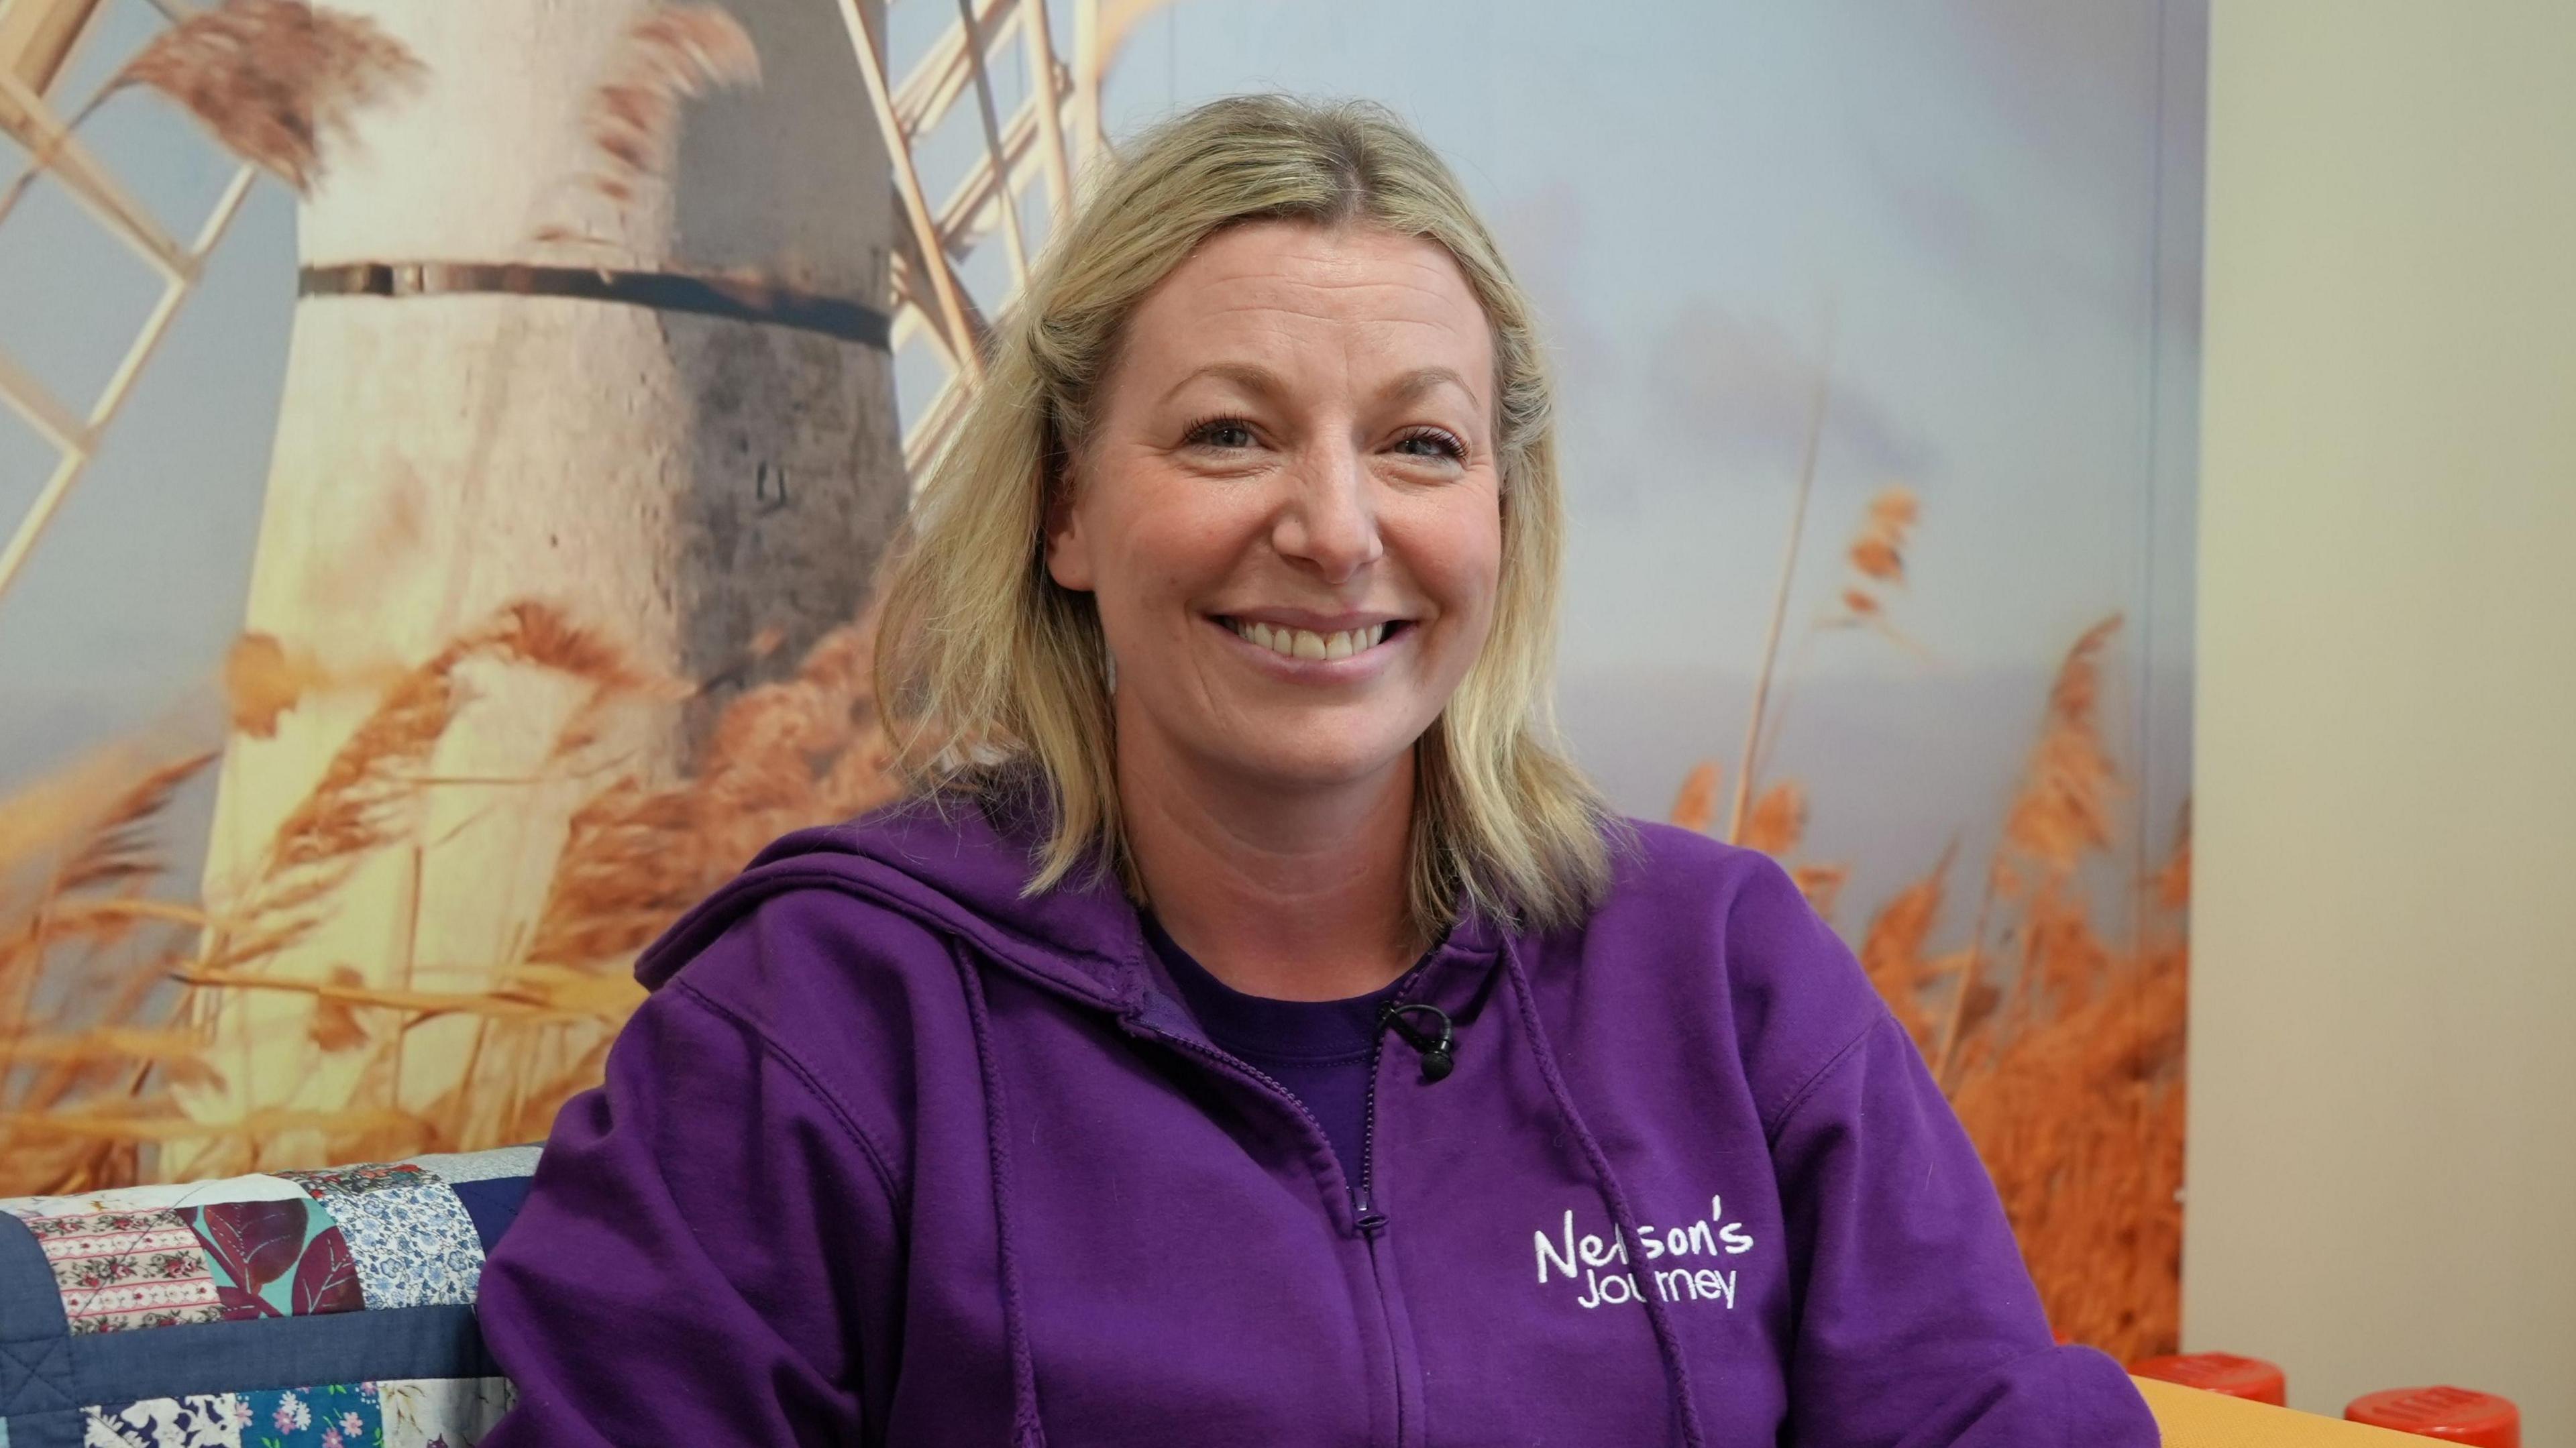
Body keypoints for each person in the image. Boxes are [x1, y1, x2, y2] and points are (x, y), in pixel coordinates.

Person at [476, 94, 2158, 1447]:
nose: (1337, 530)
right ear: (1065, 508)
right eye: (1231, 431)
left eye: (1421, 444)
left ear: (1500, 518)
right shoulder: (817, 1023)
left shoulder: (1725, 979)